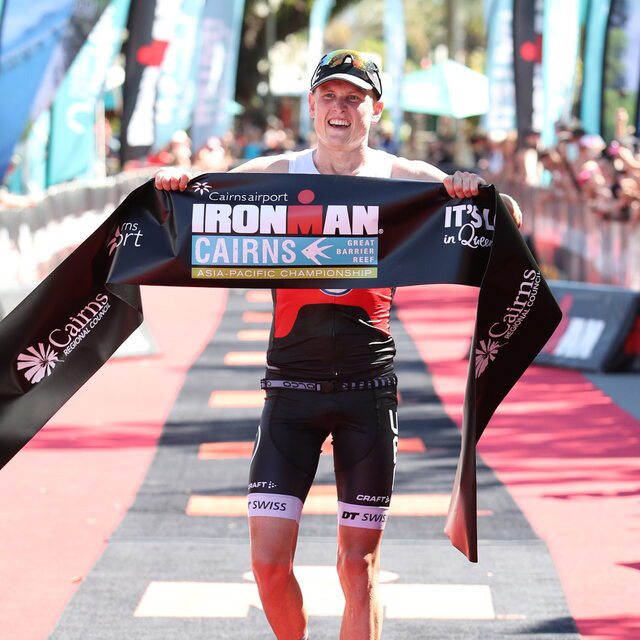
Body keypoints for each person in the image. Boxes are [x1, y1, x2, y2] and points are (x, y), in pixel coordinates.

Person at [156, 49, 522, 640]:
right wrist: (176, 184)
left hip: (367, 398)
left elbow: (509, 219)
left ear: (374, 110)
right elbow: (192, 201)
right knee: (269, 566)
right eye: (329, 96)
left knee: (359, 568)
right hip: (289, 395)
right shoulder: (276, 174)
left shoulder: (405, 180)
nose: (340, 109)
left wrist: (477, 191)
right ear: (311, 105)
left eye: (354, 98)